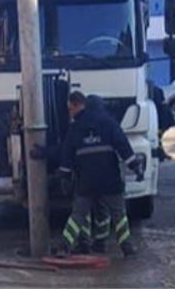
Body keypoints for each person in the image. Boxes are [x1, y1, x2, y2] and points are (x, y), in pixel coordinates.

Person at [56, 92, 145, 257]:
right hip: (110, 179)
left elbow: (66, 155)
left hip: (86, 181)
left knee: (78, 215)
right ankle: (126, 247)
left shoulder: (76, 127)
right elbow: (124, 149)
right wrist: (137, 168)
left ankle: (64, 247)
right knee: (119, 215)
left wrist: (64, 176)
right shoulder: (110, 124)